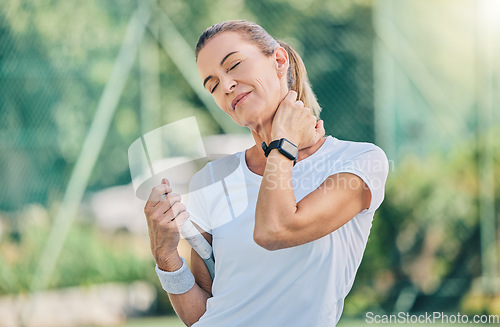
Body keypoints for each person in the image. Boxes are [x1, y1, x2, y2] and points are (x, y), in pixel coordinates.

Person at [144, 20, 388, 326]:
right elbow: (203, 315)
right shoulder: (211, 179)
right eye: (213, 85)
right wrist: (166, 259)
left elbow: (275, 231)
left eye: (233, 65)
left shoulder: (357, 162)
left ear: (279, 60)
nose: (226, 86)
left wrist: (282, 143)